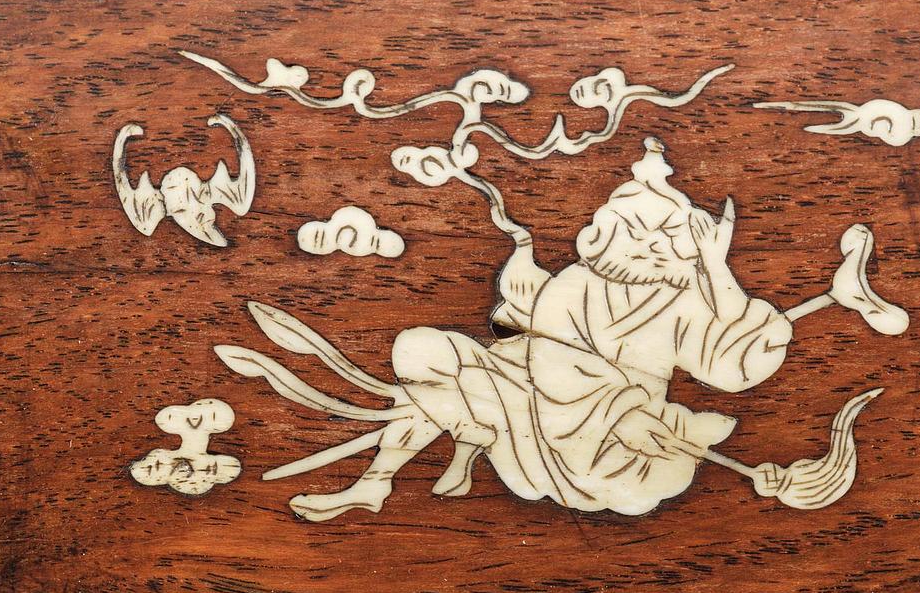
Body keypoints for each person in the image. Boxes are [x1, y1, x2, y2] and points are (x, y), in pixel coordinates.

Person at [285, 138, 793, 521]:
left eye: (667, 236)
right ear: (605, 234)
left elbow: (735, 363)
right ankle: (386, 476)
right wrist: (612, 406)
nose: (651, 246)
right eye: (636, 231)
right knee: (422, 352)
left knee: (647, 485)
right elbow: (547, 358)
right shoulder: (577, 283)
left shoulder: (685, 299)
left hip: (609, 440)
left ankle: (431, 455)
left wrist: (717, 267)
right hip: (543, 399)